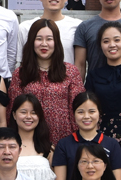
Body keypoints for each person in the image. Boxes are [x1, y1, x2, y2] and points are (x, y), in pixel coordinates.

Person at [11, 19, 86, 150]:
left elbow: (78, 107)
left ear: (56, 42)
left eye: (49, 39)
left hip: (65, 140)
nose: (44, 44)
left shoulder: (70, 72)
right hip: (31, 142)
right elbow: (13, 109)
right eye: (39, 39)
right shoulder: (20, 74)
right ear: (31, 42)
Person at [53, 91, 121, 180]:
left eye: (92, 111)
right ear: (73, 114)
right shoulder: (63, 145)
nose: (86, 116)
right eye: (80, 112)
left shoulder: (112, 144)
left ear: (99, 113)